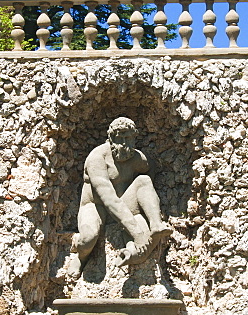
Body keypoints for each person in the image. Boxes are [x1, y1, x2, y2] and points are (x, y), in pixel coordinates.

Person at [67, 117, 171, 275]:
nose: (124, 143)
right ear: (110, 138)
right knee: (88, 238)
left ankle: (156, 225)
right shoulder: (97, 158)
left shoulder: (139, 159)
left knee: (144, 180)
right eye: (120, 137)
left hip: (125, 203)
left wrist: (143, 205)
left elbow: (151, 173)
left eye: (128, 138)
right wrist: (136, 233)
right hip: (97, 206)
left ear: (135, 138)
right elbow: (108, 199)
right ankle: (81, 257)